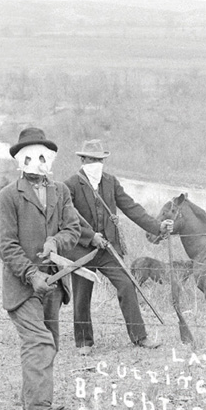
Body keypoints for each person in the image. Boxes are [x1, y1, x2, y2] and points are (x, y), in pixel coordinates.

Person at [0, 126, 83, 410]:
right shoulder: (8, 196)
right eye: (30, 156)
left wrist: (55, 243)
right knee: (39, 343)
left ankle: (36, 399)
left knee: (51, 343)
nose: (38, 161)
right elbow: (5, 245)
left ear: (51, 159)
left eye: (43, 155)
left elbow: (73, 229)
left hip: (54, 282)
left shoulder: (61, 192)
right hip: (23, 286)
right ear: (20, 160)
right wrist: (31, 274)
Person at [62, 139, 175, 353]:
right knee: (82, 294)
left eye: (99, 160)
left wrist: (157, 226)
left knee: (126, 284)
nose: (96, 163)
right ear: (82, 160)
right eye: (91, 159)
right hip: (82, 250)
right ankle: (84, 342)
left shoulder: (110, 182)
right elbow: (67, 218)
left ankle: (139, 337)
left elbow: (132, 209)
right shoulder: (70, 185)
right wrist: (90, 236)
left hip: (108, 249)